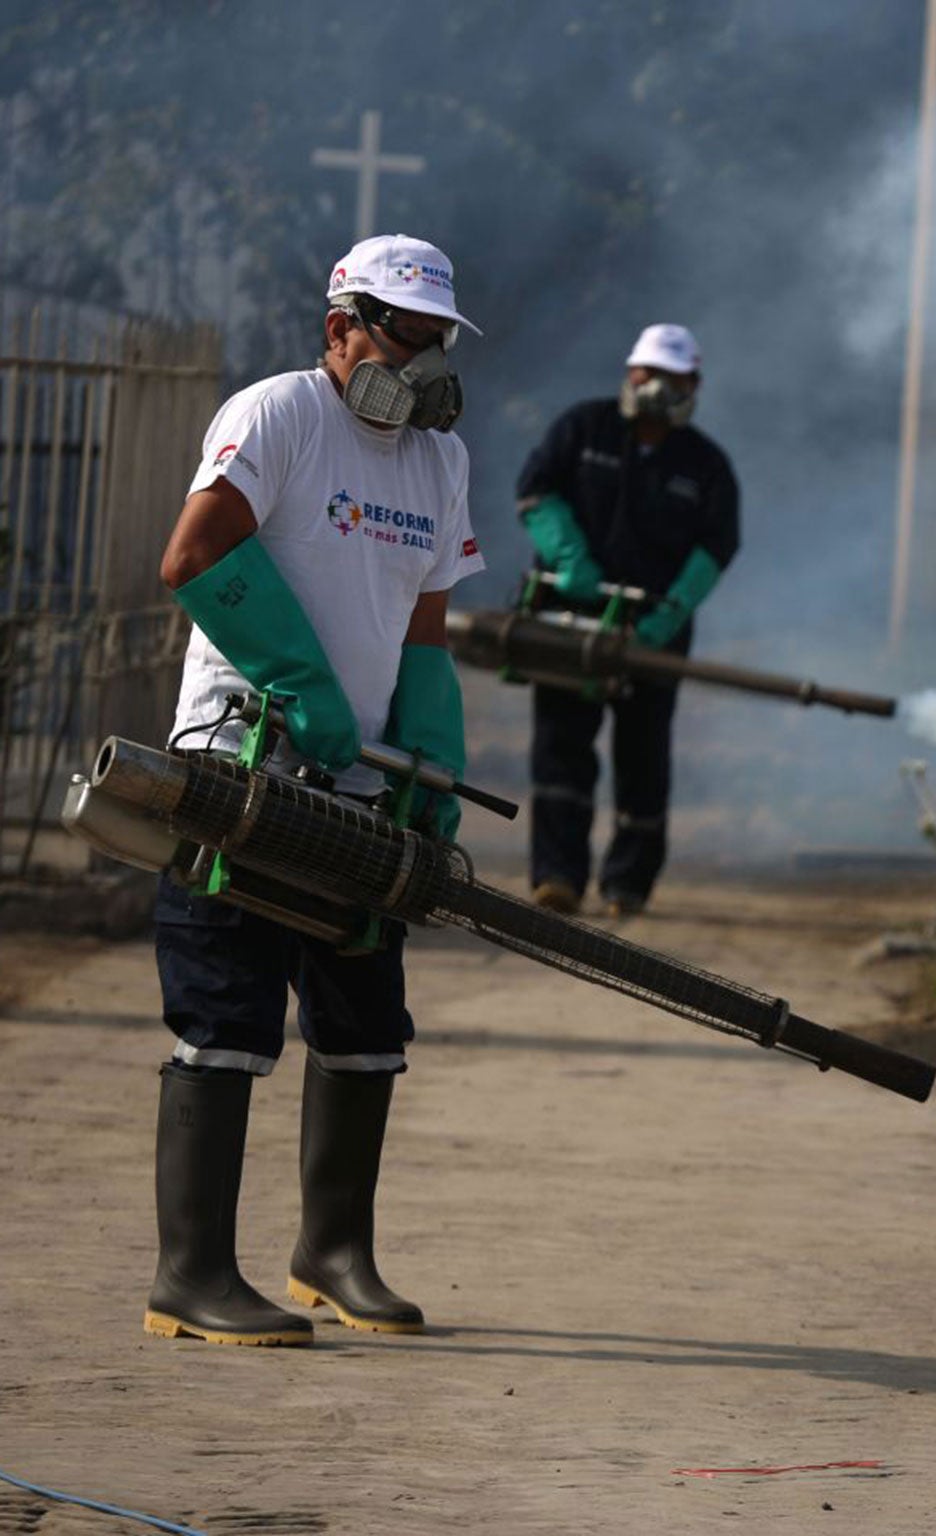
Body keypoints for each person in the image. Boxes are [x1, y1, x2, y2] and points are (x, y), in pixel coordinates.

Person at [148, 233, 486, 1346]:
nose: (426, 363)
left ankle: (332, 1256)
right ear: (341, 328)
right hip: (243, 763)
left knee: (363, 1018)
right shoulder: (280, 413)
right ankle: (193, 1277)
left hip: (360, 784)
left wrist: (431, 751)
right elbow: (196, 557)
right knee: (228, 1007)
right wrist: (296, 681)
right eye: (406, 336)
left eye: (439, 341)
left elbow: (426, 622)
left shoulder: (439, 460)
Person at [515, 322, 740, 917]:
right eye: (647, 373)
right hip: (569, 622)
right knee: (561, 751)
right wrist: (567, 553)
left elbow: (718, 544)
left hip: (651, 637)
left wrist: (671, 611)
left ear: (693, 384)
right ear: (629, 372)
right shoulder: (583, 428)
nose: (656, 387)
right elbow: (535, 491)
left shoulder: (706, 464)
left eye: (672, 378)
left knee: (644, 759)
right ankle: (558, 877)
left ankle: (627, 885)